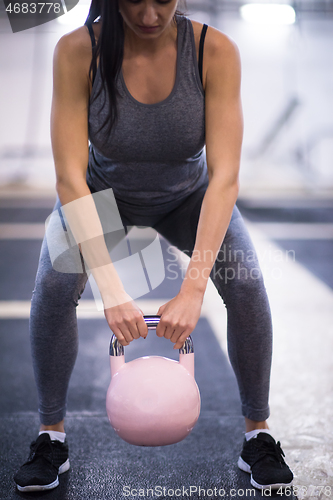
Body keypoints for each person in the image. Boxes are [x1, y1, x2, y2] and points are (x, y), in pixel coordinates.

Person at [14, 0, 293, 493]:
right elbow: (69, 179)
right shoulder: (79, 51)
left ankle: (259, 434)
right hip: (102, 195)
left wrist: (192, 289)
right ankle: (50, 436)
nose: (148, 13)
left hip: (189, 195)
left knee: (246, 284)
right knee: (55, 285)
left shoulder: (214, 50)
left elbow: (225, 177)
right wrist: (111, 288)